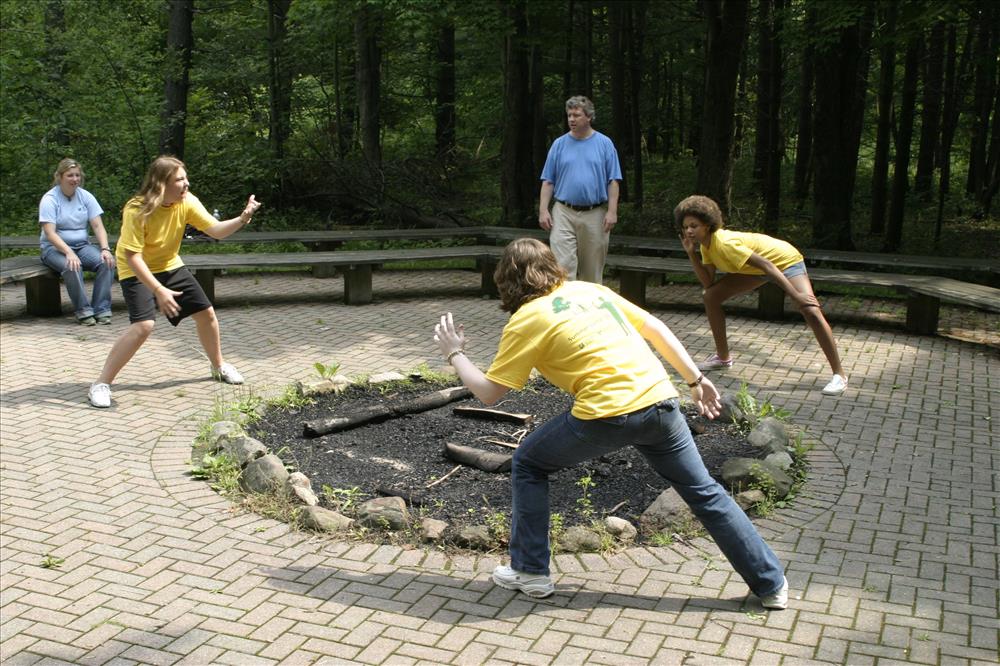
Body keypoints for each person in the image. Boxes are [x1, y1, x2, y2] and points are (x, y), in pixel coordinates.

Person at [432, 238, 788, 609]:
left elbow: (489, 393)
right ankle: (771, 584)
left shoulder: (526, 320)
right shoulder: (591, 291)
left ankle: (530, 571)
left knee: (529, 463)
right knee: (705, 491)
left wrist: (455, 353)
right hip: (662, 404)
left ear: (506, 280)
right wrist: (695, 380)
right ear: (552, 266)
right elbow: (656, 328)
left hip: (608, 415)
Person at [88, 156, 262, 408]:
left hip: (169, 264)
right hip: (135, 268)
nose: (186, 184)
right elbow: (132, 256)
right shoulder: (137, 209)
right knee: (143, 325)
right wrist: (158, 290)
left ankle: (218, 366)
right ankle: (101, 384)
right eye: (180, 180)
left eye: (186, 178)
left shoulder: (187, 201)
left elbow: (215, 231)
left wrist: (243, 217)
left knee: (206, 314)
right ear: (161, 184)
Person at [675, 195, 848, 396]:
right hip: (758, 270)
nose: (689, 231)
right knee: (710, 296)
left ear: (707, 225)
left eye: (694, 226)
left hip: (784, 261)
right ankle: (723, 358)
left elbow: (768, 265)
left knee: (810, 310)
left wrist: (795, 296)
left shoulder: (724, 244)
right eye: (685, 227)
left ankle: (840, 375)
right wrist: (691, 253)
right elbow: (708, 283)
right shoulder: (706, 246)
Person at [538, 95, 622, 284]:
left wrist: (612, 211)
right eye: (569, 115)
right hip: (563, 212)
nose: (571, 119)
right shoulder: (559, 144)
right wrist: (543, 210)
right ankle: (565, 303)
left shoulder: (605, 144)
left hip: (595, 213)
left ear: (589, 117)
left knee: (591, 273)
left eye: (576, 115)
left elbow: (613, 181)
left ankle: (589, 303)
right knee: (562, 268)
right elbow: (548, 181)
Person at [38, 158, 115, 325]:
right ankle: (83, 311)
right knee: (72, 266)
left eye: (77, 175)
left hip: (82, 246)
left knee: (107, 262)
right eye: (70, 175)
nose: (74, 179)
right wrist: (68, 252)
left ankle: (101, 309)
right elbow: (50, 233)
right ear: (60, 177)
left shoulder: (86, 196)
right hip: (53, 249)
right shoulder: (50, 199)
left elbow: (98, 226)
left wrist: (105, 249)